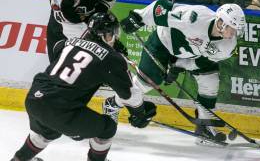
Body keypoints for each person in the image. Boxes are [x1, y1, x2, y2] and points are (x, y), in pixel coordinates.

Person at [10, 12, 157, 161]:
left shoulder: (68, 42)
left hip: (34, 99)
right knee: (107, 129)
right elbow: (129, 95)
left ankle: (18, 159)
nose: (115, 38)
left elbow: (58, 51)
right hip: (62, 111)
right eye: (113, 33)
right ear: (106, 35)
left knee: (45, 133)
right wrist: (139, 112)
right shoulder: (112, 58)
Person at [119, 0, 246, 142]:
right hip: (163, 43)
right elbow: (160, 9)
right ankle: (114, 103)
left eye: (237, 29)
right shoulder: (195, 17)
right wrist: (138, 17)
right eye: (232, 28)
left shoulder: (228, 45)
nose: (234, 33)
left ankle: (204, 125)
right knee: (146, 83)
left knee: (210, 79)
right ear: (221, 22)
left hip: (190, 56)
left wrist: (178, 66)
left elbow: (203, 62)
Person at [47, 0, 115, 62]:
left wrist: (97, 15)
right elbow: (69, 22)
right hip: (61, 28)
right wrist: (88, 40)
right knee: (61, 64)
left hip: (92, 19)